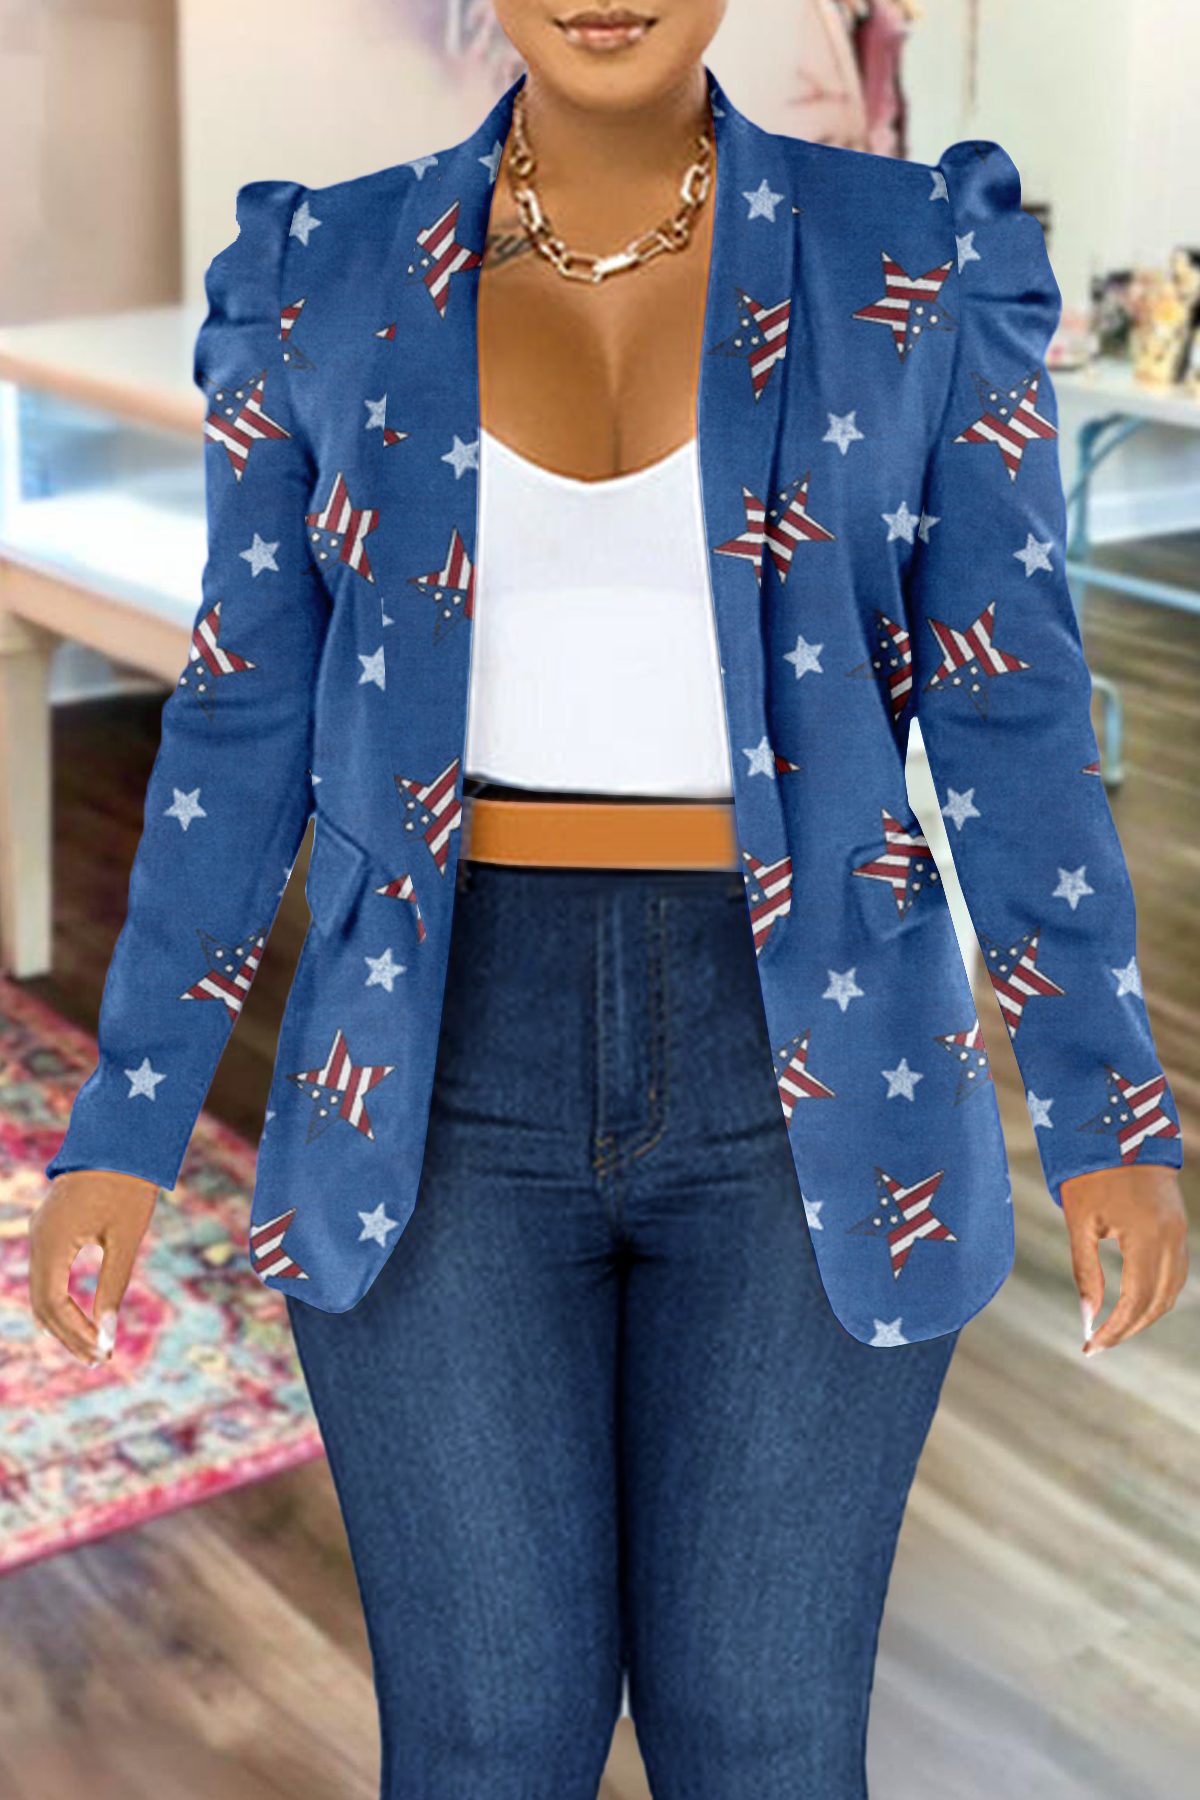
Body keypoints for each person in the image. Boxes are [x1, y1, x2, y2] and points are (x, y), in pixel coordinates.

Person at [29, 2, 1187, 1795]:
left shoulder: (921, 263)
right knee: (486, 1743)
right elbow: (242, 715)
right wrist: (127, 1112)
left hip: (818, 1067)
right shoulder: (322, 274)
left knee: (765, 1744)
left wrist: (1107, 1097)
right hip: (426, 1075)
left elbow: (1010, 703)